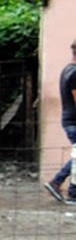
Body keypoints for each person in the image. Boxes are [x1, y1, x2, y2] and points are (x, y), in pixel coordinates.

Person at [45, 40, 76, 204]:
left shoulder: (66, 70)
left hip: (69, 119)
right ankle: (66, 188)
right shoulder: (75, 73)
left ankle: (58, 183)